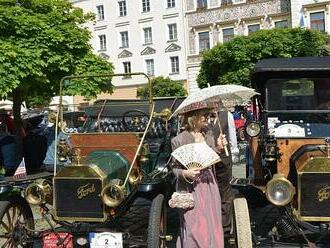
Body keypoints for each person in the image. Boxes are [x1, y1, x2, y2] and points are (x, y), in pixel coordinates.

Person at [171, 106, 224, 248]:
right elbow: (174, 169)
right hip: (190, 188)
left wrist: (218, 148)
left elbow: (211, 158)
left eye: (208, 115)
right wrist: (185, 173)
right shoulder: (178, 140)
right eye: (204, 115)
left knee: (212, 222)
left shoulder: (209, 135)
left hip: (209, 185)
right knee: (194, 226)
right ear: (193, 118)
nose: (208, 118)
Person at [208, 107, 239, 228]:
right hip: (208, 161)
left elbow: (232, 138)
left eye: (216, 103)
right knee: (210, 190)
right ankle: (211, 221)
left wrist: (234, 154)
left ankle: (225, 224)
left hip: (224, 159)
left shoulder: (227, 116)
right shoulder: (203, 118)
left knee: (224, 190)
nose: (213, 106)